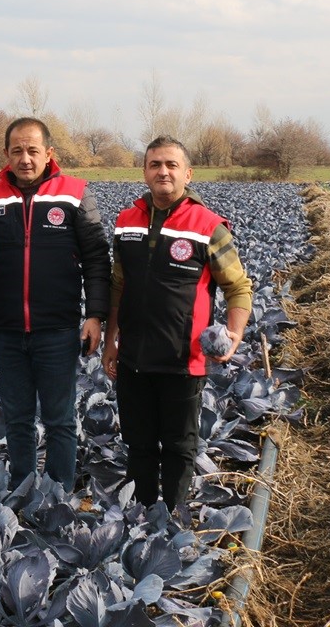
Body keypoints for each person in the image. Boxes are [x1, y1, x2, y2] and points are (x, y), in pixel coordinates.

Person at [101, 135, 253, 508]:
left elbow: (238, 287)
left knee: (179, 446)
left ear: (188, 173)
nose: (163, 171)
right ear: (144, 172)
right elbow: (118, 286)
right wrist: (110, 342)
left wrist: (233, 335)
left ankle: (173, 520)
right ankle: (141, 518)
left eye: (171, 165)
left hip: (183, 361)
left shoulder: (209, 226)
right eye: (155, 164)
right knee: (138, 445)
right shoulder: (126, 221)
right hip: (134, 357)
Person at [0, 118, 110, 491]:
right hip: (7, 327)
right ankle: (22, 489)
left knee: (60, 419)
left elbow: (96, 258)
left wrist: (95, 315)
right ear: (6, 154)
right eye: (17, 151)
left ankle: (58, 492)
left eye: (33, 151)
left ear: (49, 154)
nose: (25, 159)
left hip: (57, 327)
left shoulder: (75, 194)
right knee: (17, 417)